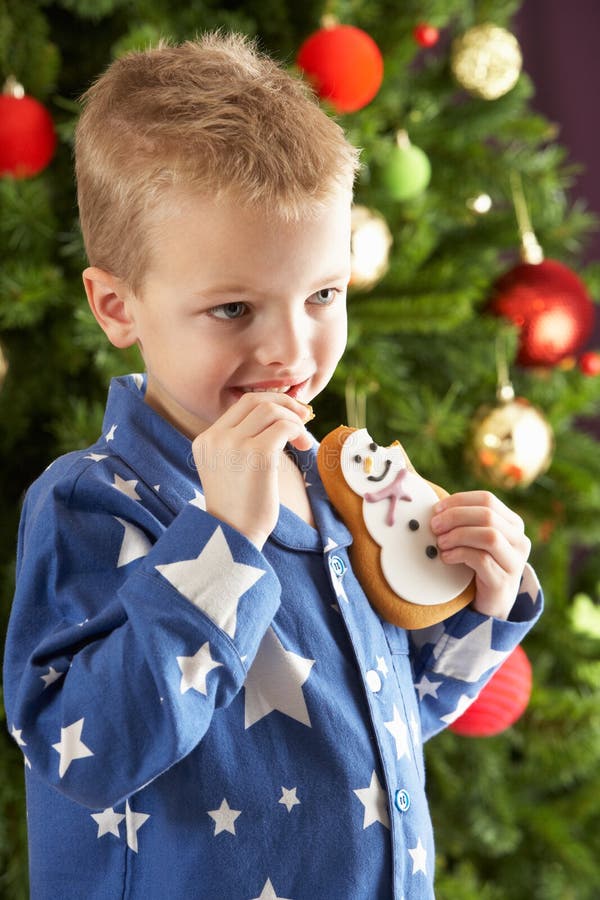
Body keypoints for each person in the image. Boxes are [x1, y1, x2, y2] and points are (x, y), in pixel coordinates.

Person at [3, 32, 542, 900]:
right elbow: (85, 749)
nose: (292, 349)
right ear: (116, 305)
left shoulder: (329, 486)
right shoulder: (92, 501)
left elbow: (381, 724)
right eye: (232, 307)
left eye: (323, 295)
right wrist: (221, 540)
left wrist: (482, 603)